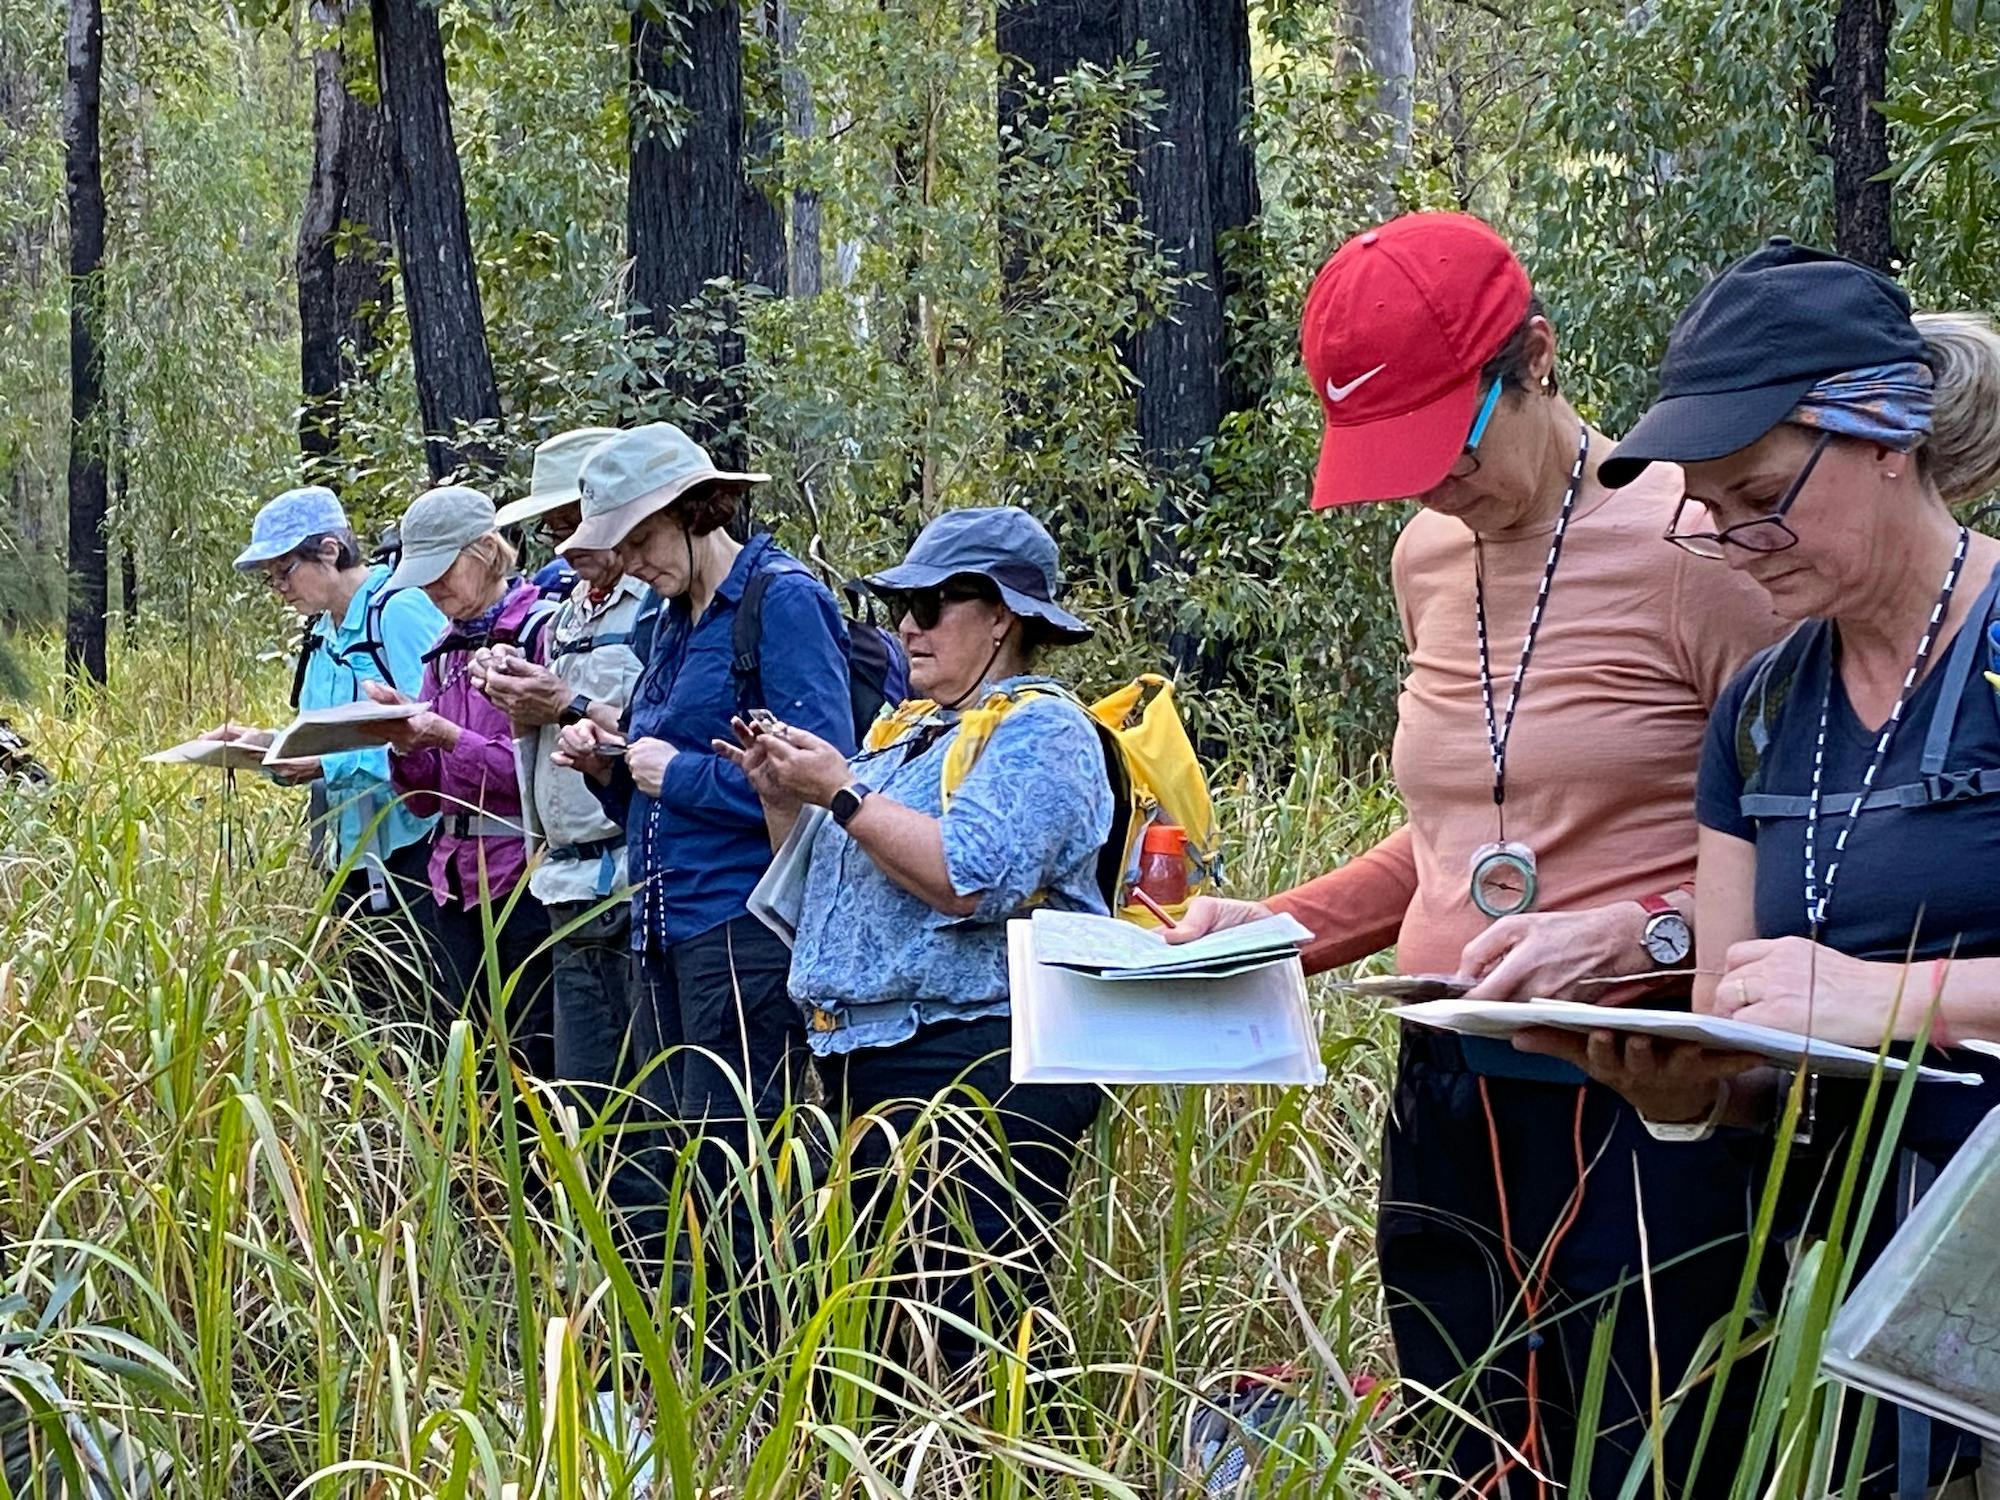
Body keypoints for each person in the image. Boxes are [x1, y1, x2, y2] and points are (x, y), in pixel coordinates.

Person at [1167, 213, 1786, 1494]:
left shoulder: (1699, 542)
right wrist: (1278, 924)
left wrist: (1634, 934)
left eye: (1446, 443)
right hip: (1448, 1080)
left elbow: (1799, 838)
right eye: (1387, 460)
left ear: (1539, 360)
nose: (1428, 484)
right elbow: (1454, 840)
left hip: (1641, 1088)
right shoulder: (1427, 556)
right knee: (1468, 1440)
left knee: (1645, 1451)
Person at [1518, 241, 2000, 1495]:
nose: (1737, 538)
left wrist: (1881, 1002)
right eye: (1709, 509)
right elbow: (1744, 1038)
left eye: (1762, 494)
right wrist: (1675, 1084)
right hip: (1830, 1308)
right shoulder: (1759, 712)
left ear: (1885, 434)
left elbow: (1838, 1000)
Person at [715, 504, 1108, 1377]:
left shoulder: (1043, 729)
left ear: (1001, 617)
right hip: (876, 1064)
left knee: (968, 1331)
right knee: (889, 1336)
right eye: (902, 605)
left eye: (932, 608)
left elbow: (967, 879)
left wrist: (843, 792)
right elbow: (826, 886)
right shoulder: (904, 734)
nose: (907, 627)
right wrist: (789, 795)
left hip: (979, 1062)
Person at [551, 423, 854, 1305]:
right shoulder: (665, 619)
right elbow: (656, 786)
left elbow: (824, 781)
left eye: (642, 540)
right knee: (680, 1158)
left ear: (695, 510)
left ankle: (757, 1368)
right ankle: (696, 1368)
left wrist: (674, 772)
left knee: (742, 1166)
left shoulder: (779, 600)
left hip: (742, 925)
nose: (633, 563)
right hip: (662, 925)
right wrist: (612, 763)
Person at [210, 485, 446, 1015]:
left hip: (416, 856)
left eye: (283, 571)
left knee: (428, 1013)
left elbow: (434, 735)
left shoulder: (400, 612)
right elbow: (322, 734)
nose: (278, 589)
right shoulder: (322, 634)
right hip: (353, 857)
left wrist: (324, 763)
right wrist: (260, 746)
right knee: (367, 1018)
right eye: (269, 578)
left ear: (330, 551)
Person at [479, 427, 657, 1126]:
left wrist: (563, 701)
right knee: (585, 1104)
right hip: (566, 882)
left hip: (635, 878)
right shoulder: (562, 617)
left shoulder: (658, 608)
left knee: (654, 1103)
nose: (563, 546)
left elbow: (665, 733)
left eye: (574, 523)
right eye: (552, 528)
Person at [358, 484, 556, 1076]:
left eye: (442, 571)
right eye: (423, 577)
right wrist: (401, 736)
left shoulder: (539, 633)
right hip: (454, 881)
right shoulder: (443, 653)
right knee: (474, 1063)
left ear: (486, 552)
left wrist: (445, 735)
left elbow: (534, 778)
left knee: (534, 1059)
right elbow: (422, 801)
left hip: (521, 877)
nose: (433, 590)